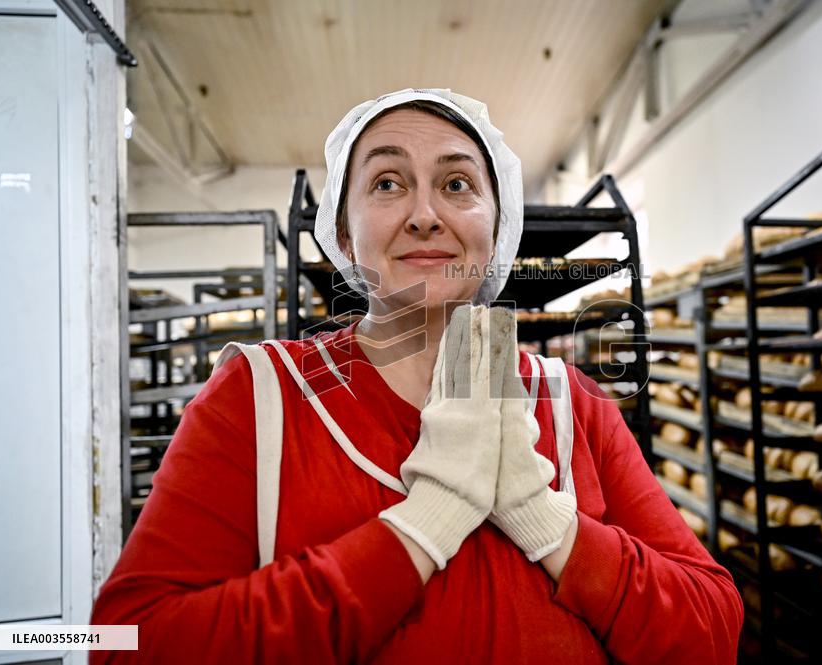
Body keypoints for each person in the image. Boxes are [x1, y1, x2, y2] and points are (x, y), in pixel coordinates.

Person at [90, 88, 743, 663]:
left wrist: (549, 523)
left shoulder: (572, 403)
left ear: (497, 228)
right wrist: (422, 525)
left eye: (457, 184)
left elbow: (711, 631)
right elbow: (128, 643)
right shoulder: (261, 399)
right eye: (387, 183)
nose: (425, 213)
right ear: (344, 235)